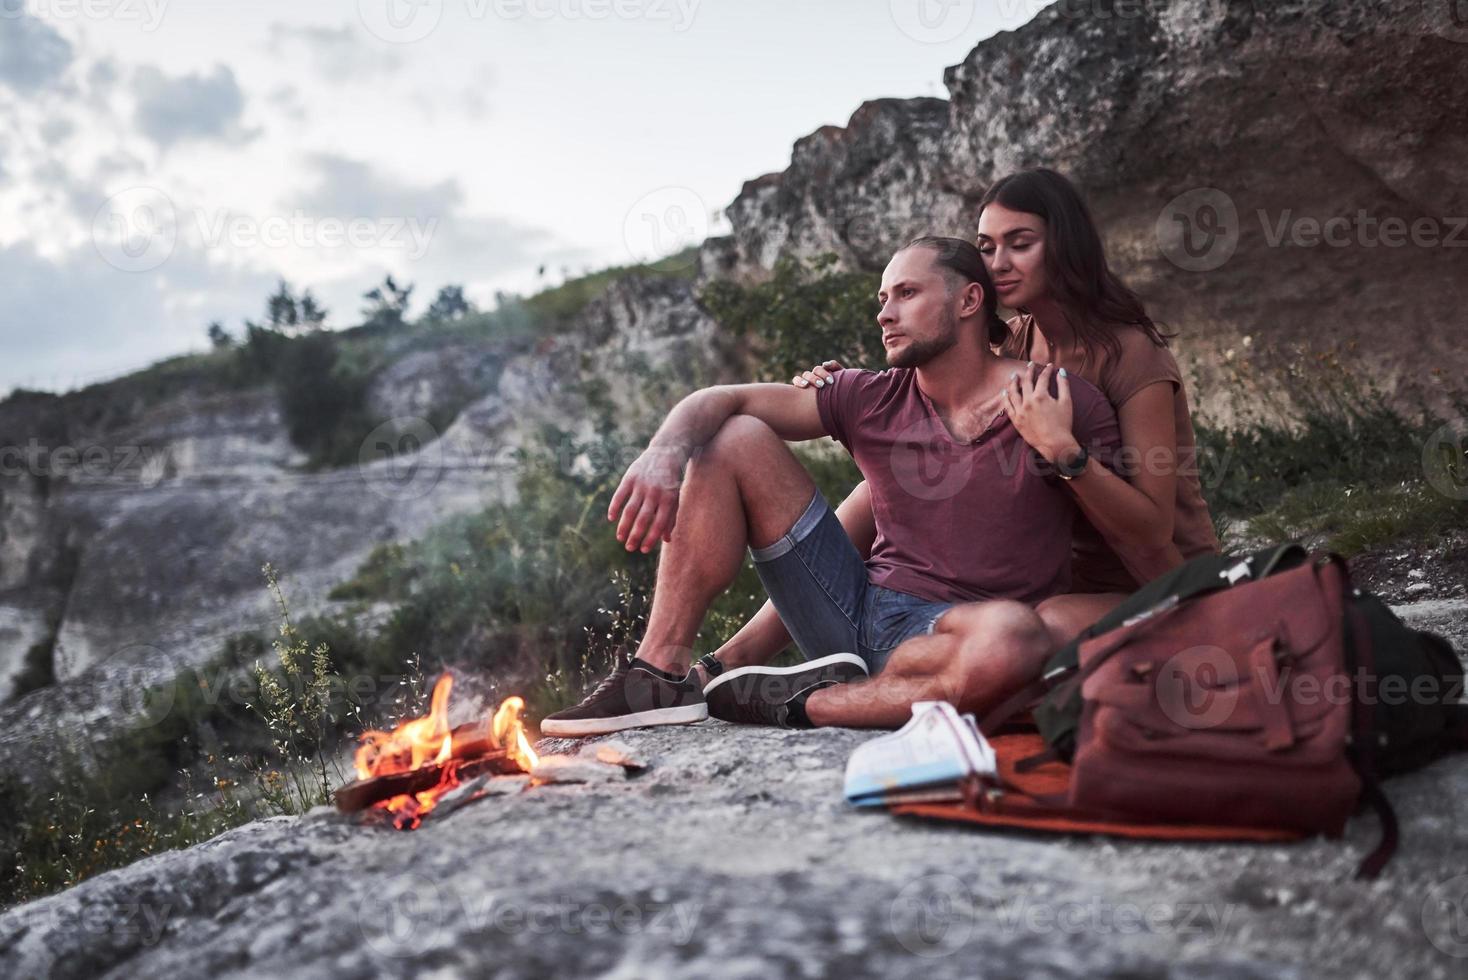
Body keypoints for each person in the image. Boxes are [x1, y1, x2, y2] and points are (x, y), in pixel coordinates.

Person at [541, 236, 1122, 737]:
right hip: (852, 613)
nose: (884, 314)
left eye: (907, 294)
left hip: (959, 635)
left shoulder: (1058, 403)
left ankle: (804, 701)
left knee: (1012, 638)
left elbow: (1126, 538)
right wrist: (663, 453)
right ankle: (658, 674)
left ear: (970, 299)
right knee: (734, 436)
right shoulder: (869, 396)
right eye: (882, 299)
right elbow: (723, 399)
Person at [709, 168, 1220, 679]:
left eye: (1019, 244)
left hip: (1149, 568)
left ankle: (815, 687)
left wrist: (1064, 451)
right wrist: (838, 393)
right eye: (987, 246)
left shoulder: (1132, 354)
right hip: (1067, 572)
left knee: (1044, 624)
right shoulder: (1016, 343)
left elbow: (1153, 530)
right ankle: (745, 653)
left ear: (1065, 245)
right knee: (886, 477)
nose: (998, 264)